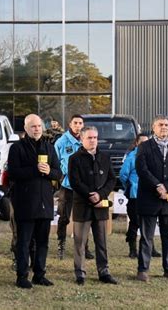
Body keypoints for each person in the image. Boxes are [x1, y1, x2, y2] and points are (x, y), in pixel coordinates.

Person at [8, 114, 62, 289]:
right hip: (25, 201)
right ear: (26, 128)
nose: (37, 129)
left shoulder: (49, 147)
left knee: (42, 241)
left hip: (45, 201)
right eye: (33, 126)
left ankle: (40, 274)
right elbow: (14, 173)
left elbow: (58, 173)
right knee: (24, 241)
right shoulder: (17, 148)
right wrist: (35, 170)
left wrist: (48, 172)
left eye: (39, 126)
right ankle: (22, 276)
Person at [135, 115, 168, 282]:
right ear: (153, 128)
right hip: (150, 197)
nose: (164, 127)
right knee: (147, 236)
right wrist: (158, 186)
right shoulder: (144, 147)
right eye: (160, 125)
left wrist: (167, 187)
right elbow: (142, 169)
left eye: (166, 125)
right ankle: (143, 270)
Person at [68, 126, 118, 286]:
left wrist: (101, 194)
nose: (93, 141)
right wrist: (90, 195)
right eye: (89, 138)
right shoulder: (74, 158)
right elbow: (75, 181)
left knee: (102, 242)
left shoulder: (104, 157)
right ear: (82, 139)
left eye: (95, 137)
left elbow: (112, 179)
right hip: (82, 206)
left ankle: (104, 272)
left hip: (101, 207)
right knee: (80, 242)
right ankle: (80, 273)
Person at [54, 114, 93, 260]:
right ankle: (61, 246)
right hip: (67, 186)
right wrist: (61, 177)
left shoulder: (86, 140)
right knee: (64, 217)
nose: (78, 125)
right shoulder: (61, 142)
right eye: (75, 123)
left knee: (84, 218)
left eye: (80, 123)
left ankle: (85, 247)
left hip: (83, 186)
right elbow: (55, 162)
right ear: (70, 124)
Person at [120, 134, 161, 259]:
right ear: (137, 143)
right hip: (135, 196)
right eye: (142, 142)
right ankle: (132, 250)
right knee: (135, 222)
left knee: (149, 222)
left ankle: (151, 248)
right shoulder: (131, 157)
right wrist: (130, 187)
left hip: (149, 194)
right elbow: (123, 175)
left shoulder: (153, 157)